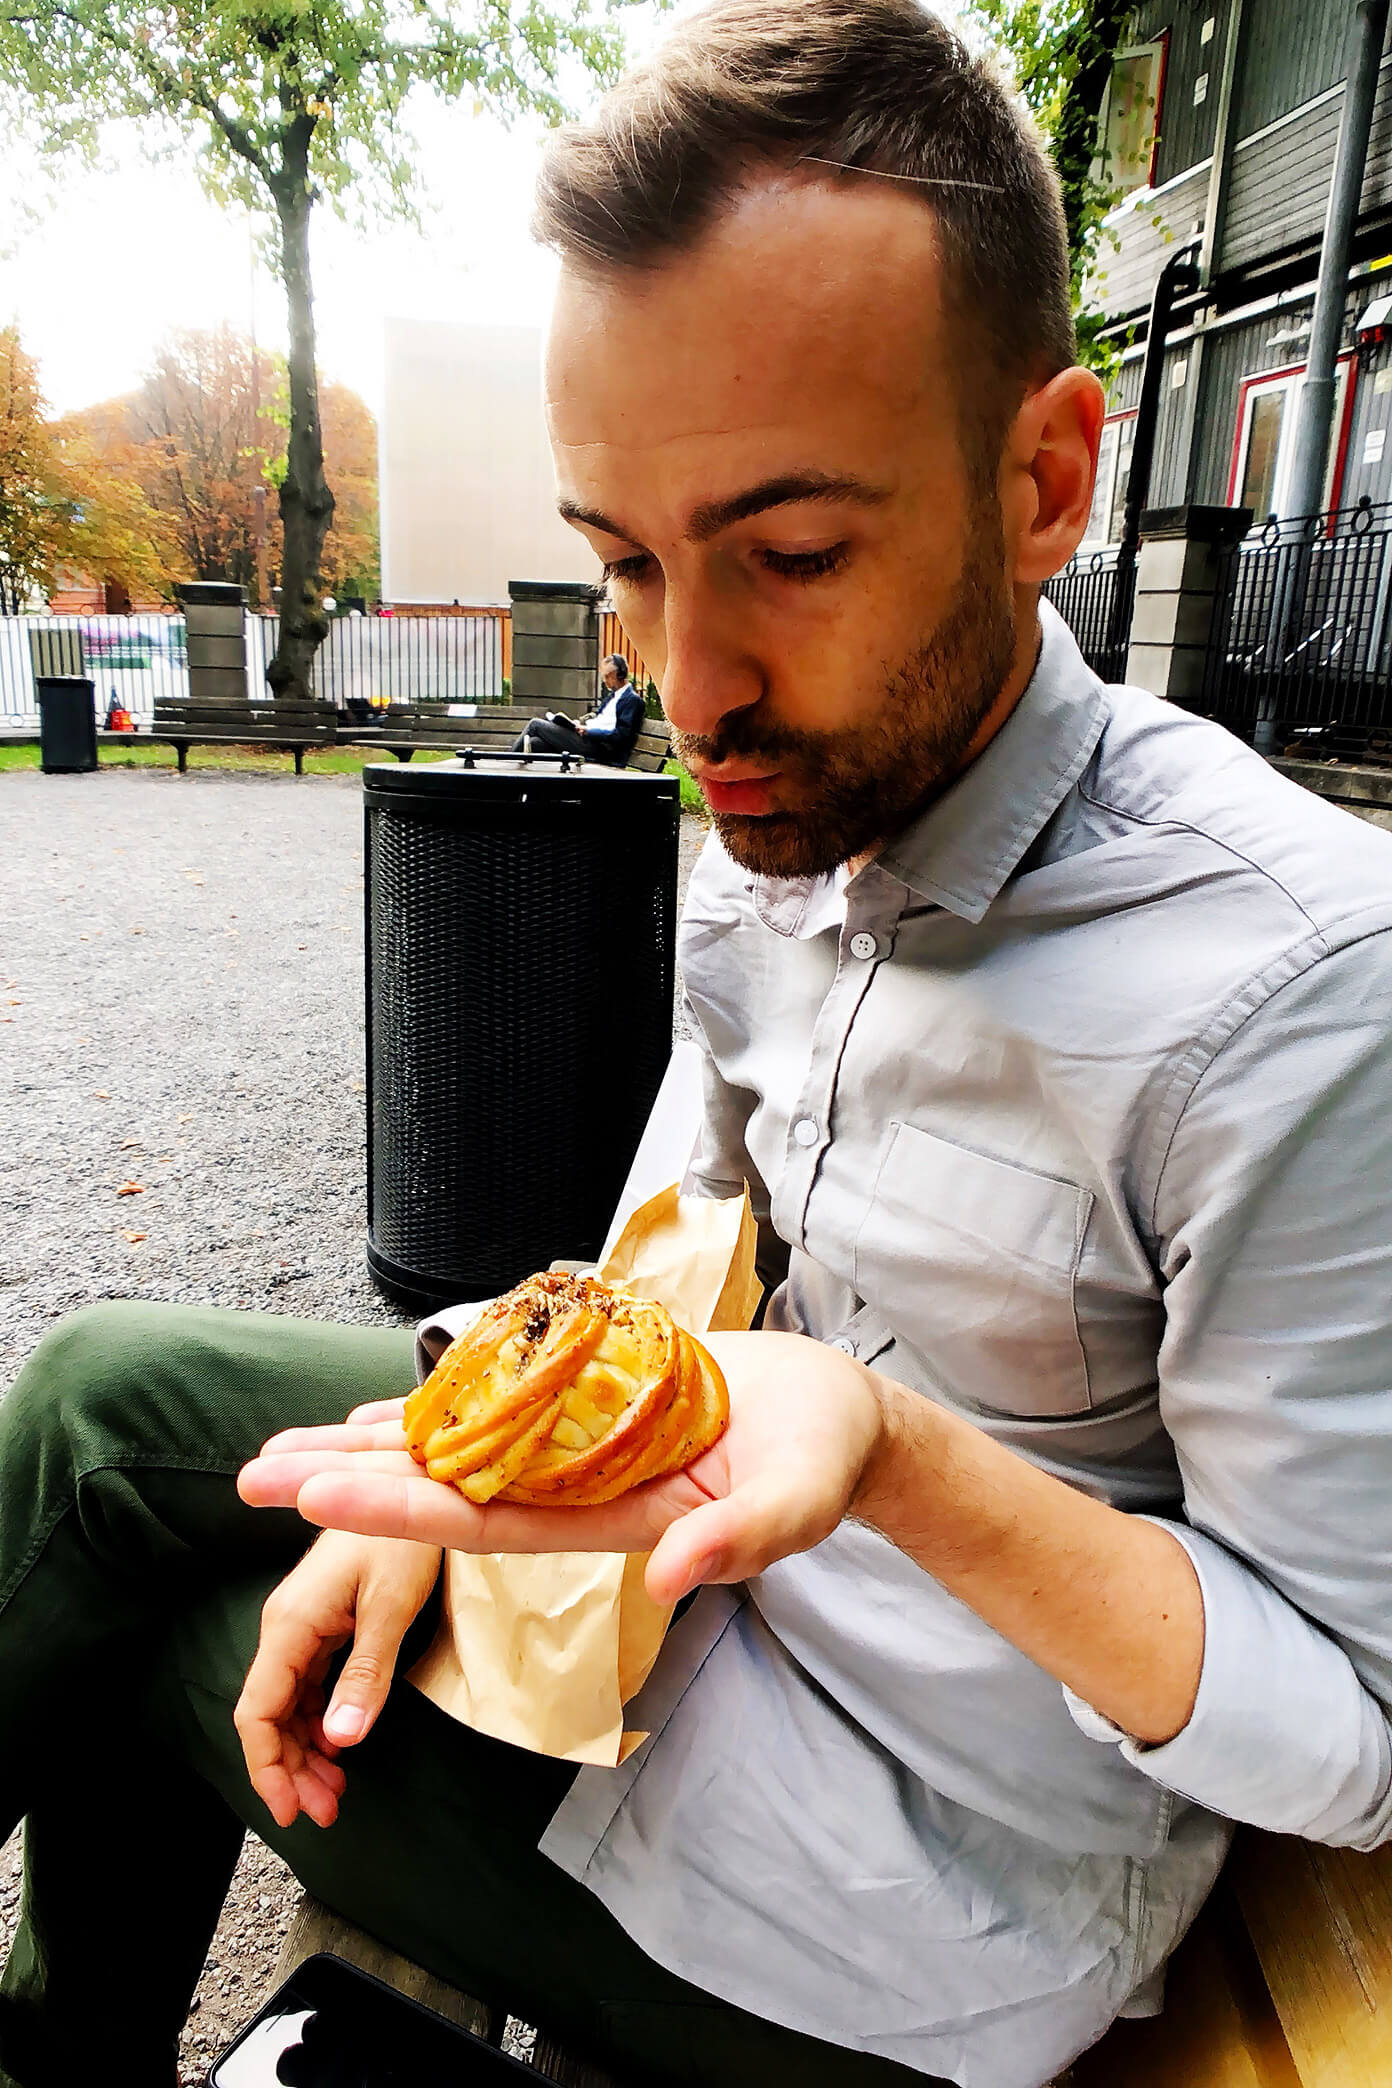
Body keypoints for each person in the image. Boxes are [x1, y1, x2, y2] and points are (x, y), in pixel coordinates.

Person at [5, 5, 1392, 2086]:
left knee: (129, 1634)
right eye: (626, 567)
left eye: (795, 553)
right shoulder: (801, 814)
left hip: (901, 1903)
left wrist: (896, 1452)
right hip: (674, 1615)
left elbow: (1355, 1732)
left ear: (1043, 482)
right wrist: (420, 1502)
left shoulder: (1289, 994)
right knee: (112, 1401)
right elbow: (653, 1263)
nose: (694, 683)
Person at [510, 654, 646, 765]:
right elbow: (599, 718)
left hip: (599, 748)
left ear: (619, 674)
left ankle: (505, 766)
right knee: (535, 744)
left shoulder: (632, 700)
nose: (605, 680)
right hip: (587, 740)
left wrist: (589, 731)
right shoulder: (613, 696)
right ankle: (514, 794)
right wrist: (578, 724)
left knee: (535, 725)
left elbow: (621, 736)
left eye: (607, 675)